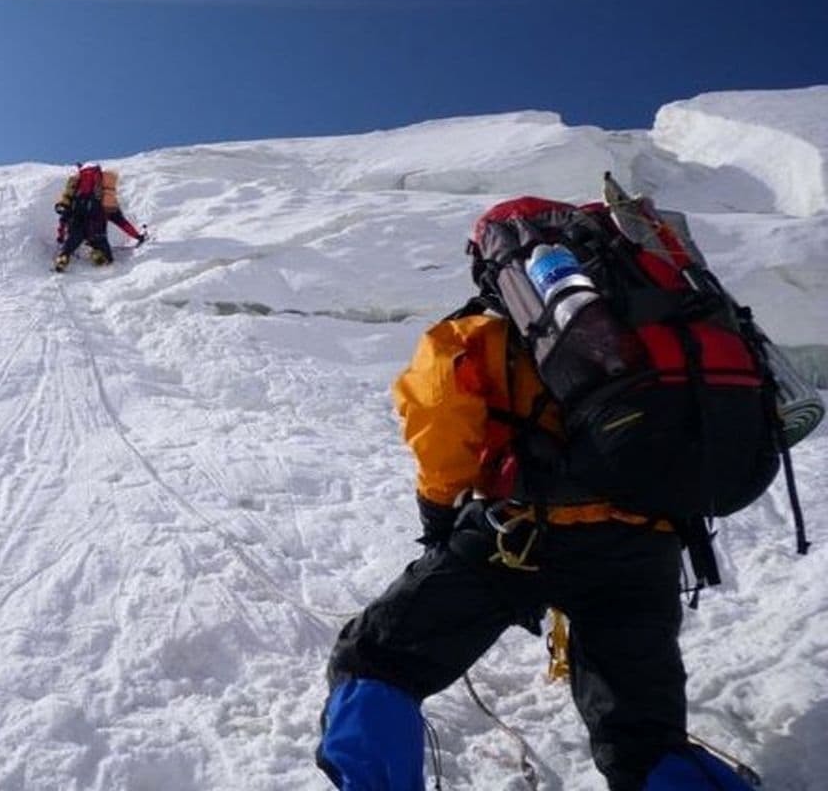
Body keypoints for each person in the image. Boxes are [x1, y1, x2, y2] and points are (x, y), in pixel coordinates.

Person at [314, 298, 760, 787]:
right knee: (644, 736)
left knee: (376, 664)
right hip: (645, 547)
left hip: (518, 540)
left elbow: (440, 424)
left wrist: (439, 513)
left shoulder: (478, 335)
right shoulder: (666, 329)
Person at [53, 162, 146, 272]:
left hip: (76, 228)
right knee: (106, 254)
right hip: (97, 231)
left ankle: (63, 258)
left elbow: (63, 219)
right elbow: (121, 222)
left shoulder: (75, 196)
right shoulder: (105, 200)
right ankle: (98, 255)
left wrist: (61, 237)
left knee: (68, 248)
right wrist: (138, 236)